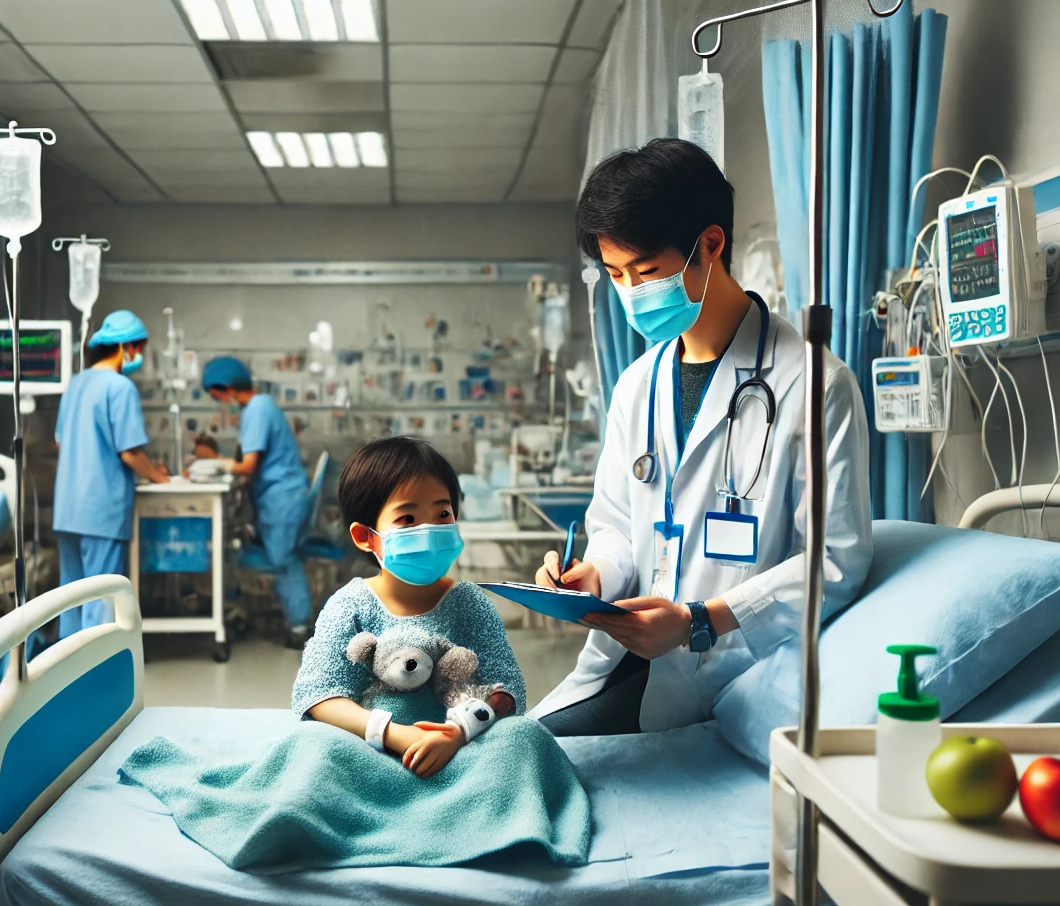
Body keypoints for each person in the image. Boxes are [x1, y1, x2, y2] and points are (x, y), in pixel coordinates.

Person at [530, 138, 873, 736]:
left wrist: (700, 620)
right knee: (508, 752)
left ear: (711, 245)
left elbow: (835, 564)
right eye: (616, 276)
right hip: (627, 654)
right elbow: (614, 525)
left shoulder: (814, 385)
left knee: (518, 759)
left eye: (647, 272)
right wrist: (594, 577)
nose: (633, 293)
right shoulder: (638, 384)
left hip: (731, 671)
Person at [291, 437, 523, 777]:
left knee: (522, 736)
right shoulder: (349, 605)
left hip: (459, 752)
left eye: (442, 513)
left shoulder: (470, 604)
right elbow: (318, 695)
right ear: (365, 536)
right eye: (408, 518)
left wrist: (458, 733)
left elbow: (508, 689)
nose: (428, 530)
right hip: (370, 752)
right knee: (313, 746)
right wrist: (395, 735)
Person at [54, 309, 170, 637]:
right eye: (138, 349)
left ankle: (67, 677)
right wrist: (157, 475)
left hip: (68, 509)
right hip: (100, 510)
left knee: (70, 598)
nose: (138, 357)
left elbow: (62, 443)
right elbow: (130, 452)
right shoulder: (119, 387)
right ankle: (95, 676)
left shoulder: (75, 385)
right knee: (100, 598)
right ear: (125, 348)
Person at [202, 355, 314, 646]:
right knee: (283, 559)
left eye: (218, 397)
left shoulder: (257, 408)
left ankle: (300, 628)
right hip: (282, 496)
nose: (221, 404)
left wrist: (217, 464)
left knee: (284, 561)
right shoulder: (262, 406)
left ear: (227, 388)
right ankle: (295, 621)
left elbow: (249, 465)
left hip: (283, 499)